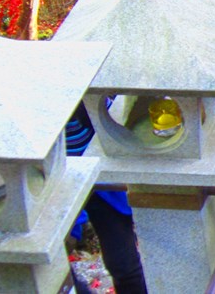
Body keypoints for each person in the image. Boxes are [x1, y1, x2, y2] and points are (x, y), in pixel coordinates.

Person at [68, 102, 148, 294]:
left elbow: (111, 113)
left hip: (102, 181)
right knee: (57, 279)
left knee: (123, 263)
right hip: (51, 189)